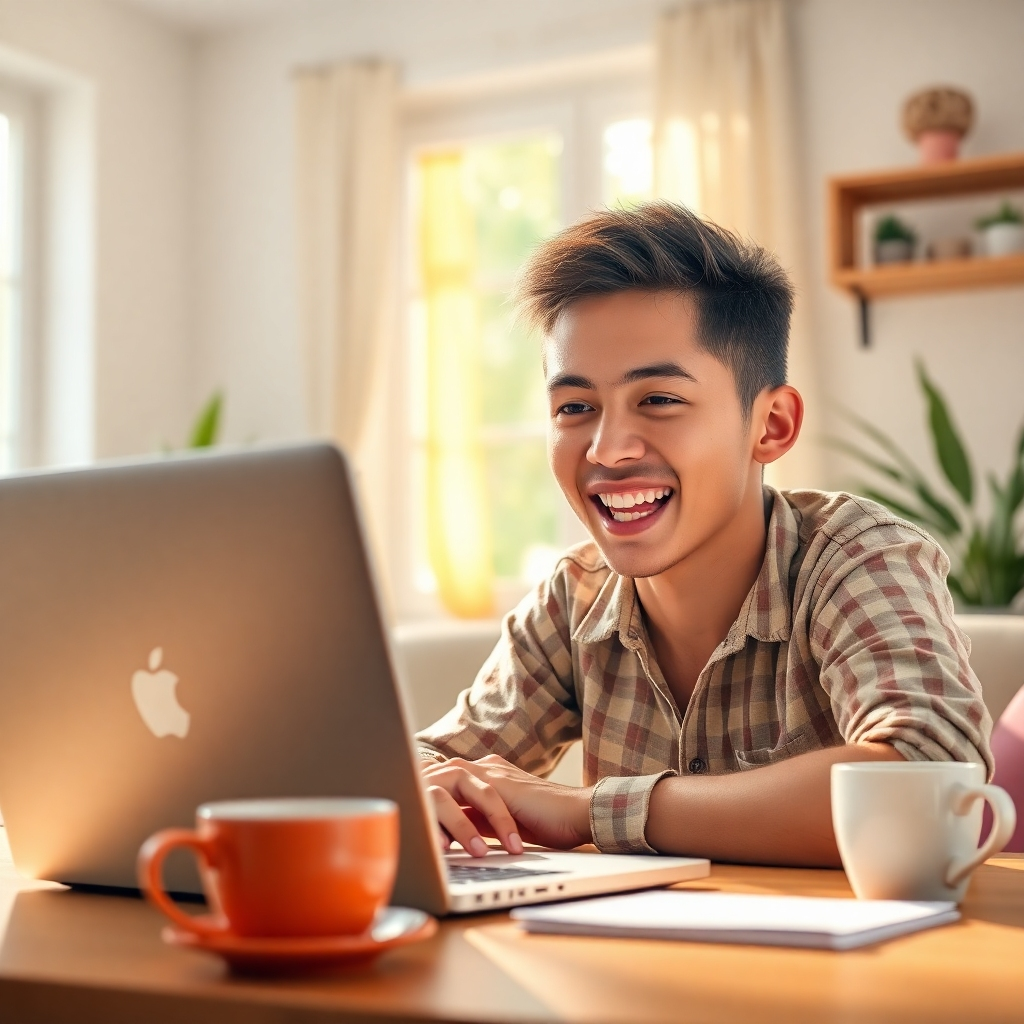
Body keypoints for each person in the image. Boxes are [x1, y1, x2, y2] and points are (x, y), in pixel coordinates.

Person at [416, 202, 992, 867]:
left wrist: (588, 810)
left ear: (770, 425)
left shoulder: (854, 555)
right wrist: (422, 782)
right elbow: (430, 762)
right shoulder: (572, 599)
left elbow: (931, 779)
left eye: (658, 400)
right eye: (574, 407)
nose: (607, 450)